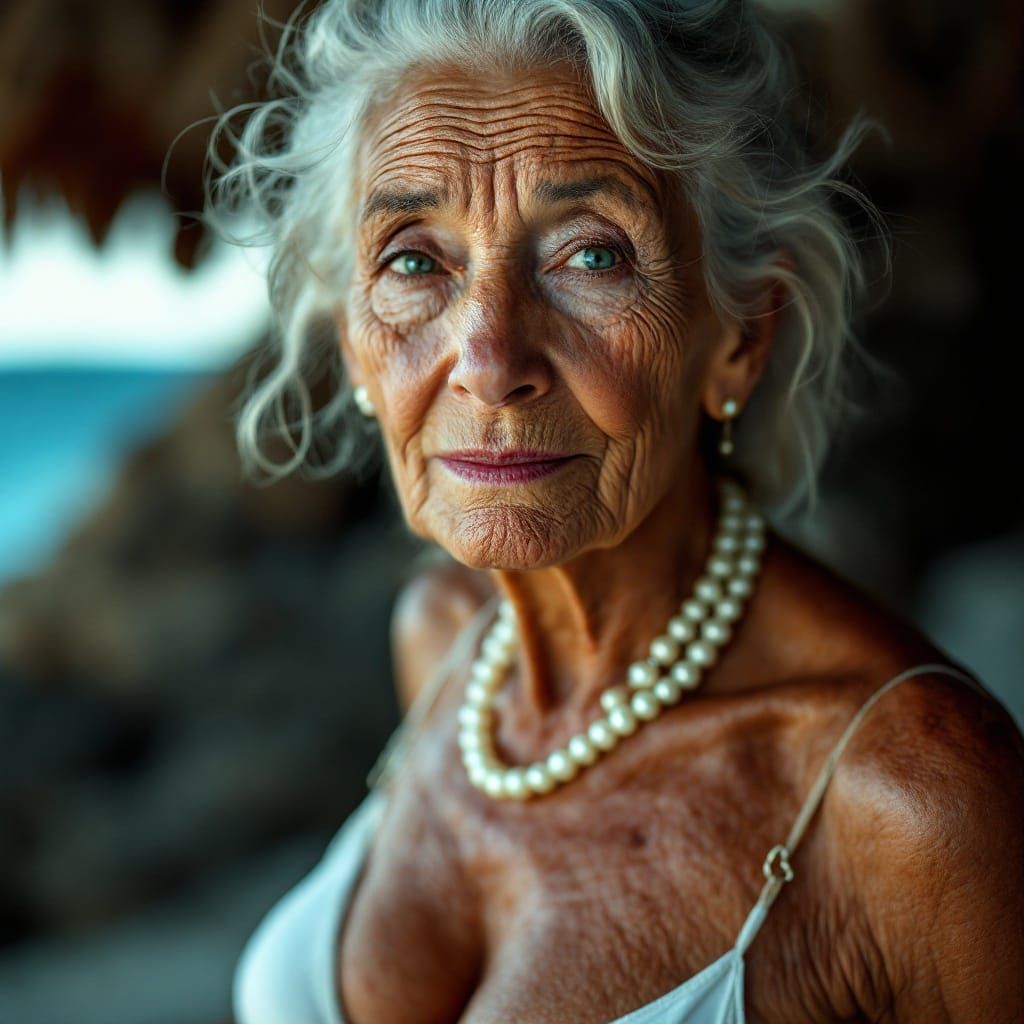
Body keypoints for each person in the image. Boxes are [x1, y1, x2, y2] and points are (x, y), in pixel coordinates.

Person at [207, 1, 1024, 1020]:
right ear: (352, 347)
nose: (491, 362)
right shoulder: (446, 642)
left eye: (591, 255)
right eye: (415, 259)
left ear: (737, 337)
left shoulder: (912, 802)